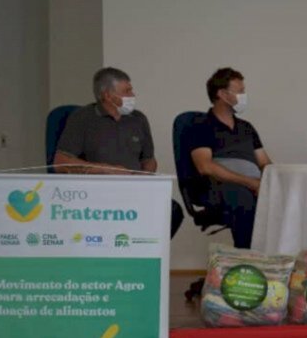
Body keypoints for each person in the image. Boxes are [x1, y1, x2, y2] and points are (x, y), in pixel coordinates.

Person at [54, 67, 182, 235]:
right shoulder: (83, 118)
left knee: (172, 211)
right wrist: (108, 170)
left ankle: (144, 256)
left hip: (135, 192)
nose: (133, 96)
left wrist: (145, 178)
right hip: (96, 195)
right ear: (108, 95)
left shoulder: (138, 119)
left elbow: (149, 159)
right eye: (127, 91)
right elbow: (60, 162)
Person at [182, 67, 272, 249]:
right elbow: (205, 166)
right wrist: (250, 183)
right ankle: (247, 262)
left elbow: (264, 162)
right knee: (242, 197)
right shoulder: (200, 126)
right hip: (218, 187)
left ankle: (274, 262)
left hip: (253, 184)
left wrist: (271, 183)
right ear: (222, 94)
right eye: (240, 91)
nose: (244, 96)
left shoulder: (246, 128)